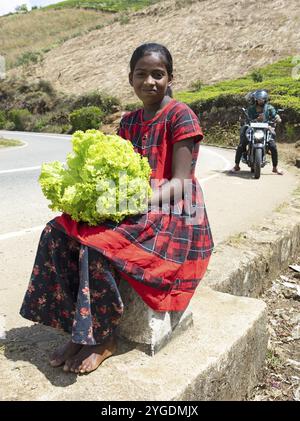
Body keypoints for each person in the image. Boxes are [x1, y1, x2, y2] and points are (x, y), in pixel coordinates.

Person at [20, 43, 213, 374]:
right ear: (130, 78)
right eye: (142, 74)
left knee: (98, 244)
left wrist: (132, 201)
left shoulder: (181, 115)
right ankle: (77, 330)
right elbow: (117, 174)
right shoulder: (129, 121)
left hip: (175, 211)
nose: (149, 81)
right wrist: (98, 198)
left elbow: (181, 182)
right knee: (58, 231)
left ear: (170, 78)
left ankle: (103, 337)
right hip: (132, 202)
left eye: (158, 74)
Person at [231, 89, 283, 175]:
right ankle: (236, 165)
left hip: (265, 129)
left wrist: (277, 118)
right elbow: (248, 117)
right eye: (258, 99)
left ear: (265, 99)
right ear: (255, 99)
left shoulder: (269, 108)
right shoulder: (251, 108)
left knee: (273, 146)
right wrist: (255, 119)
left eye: (262, 99)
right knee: (241, 144)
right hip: (253, 129)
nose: (260, 101)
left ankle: (275, 167)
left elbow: (275, 115)